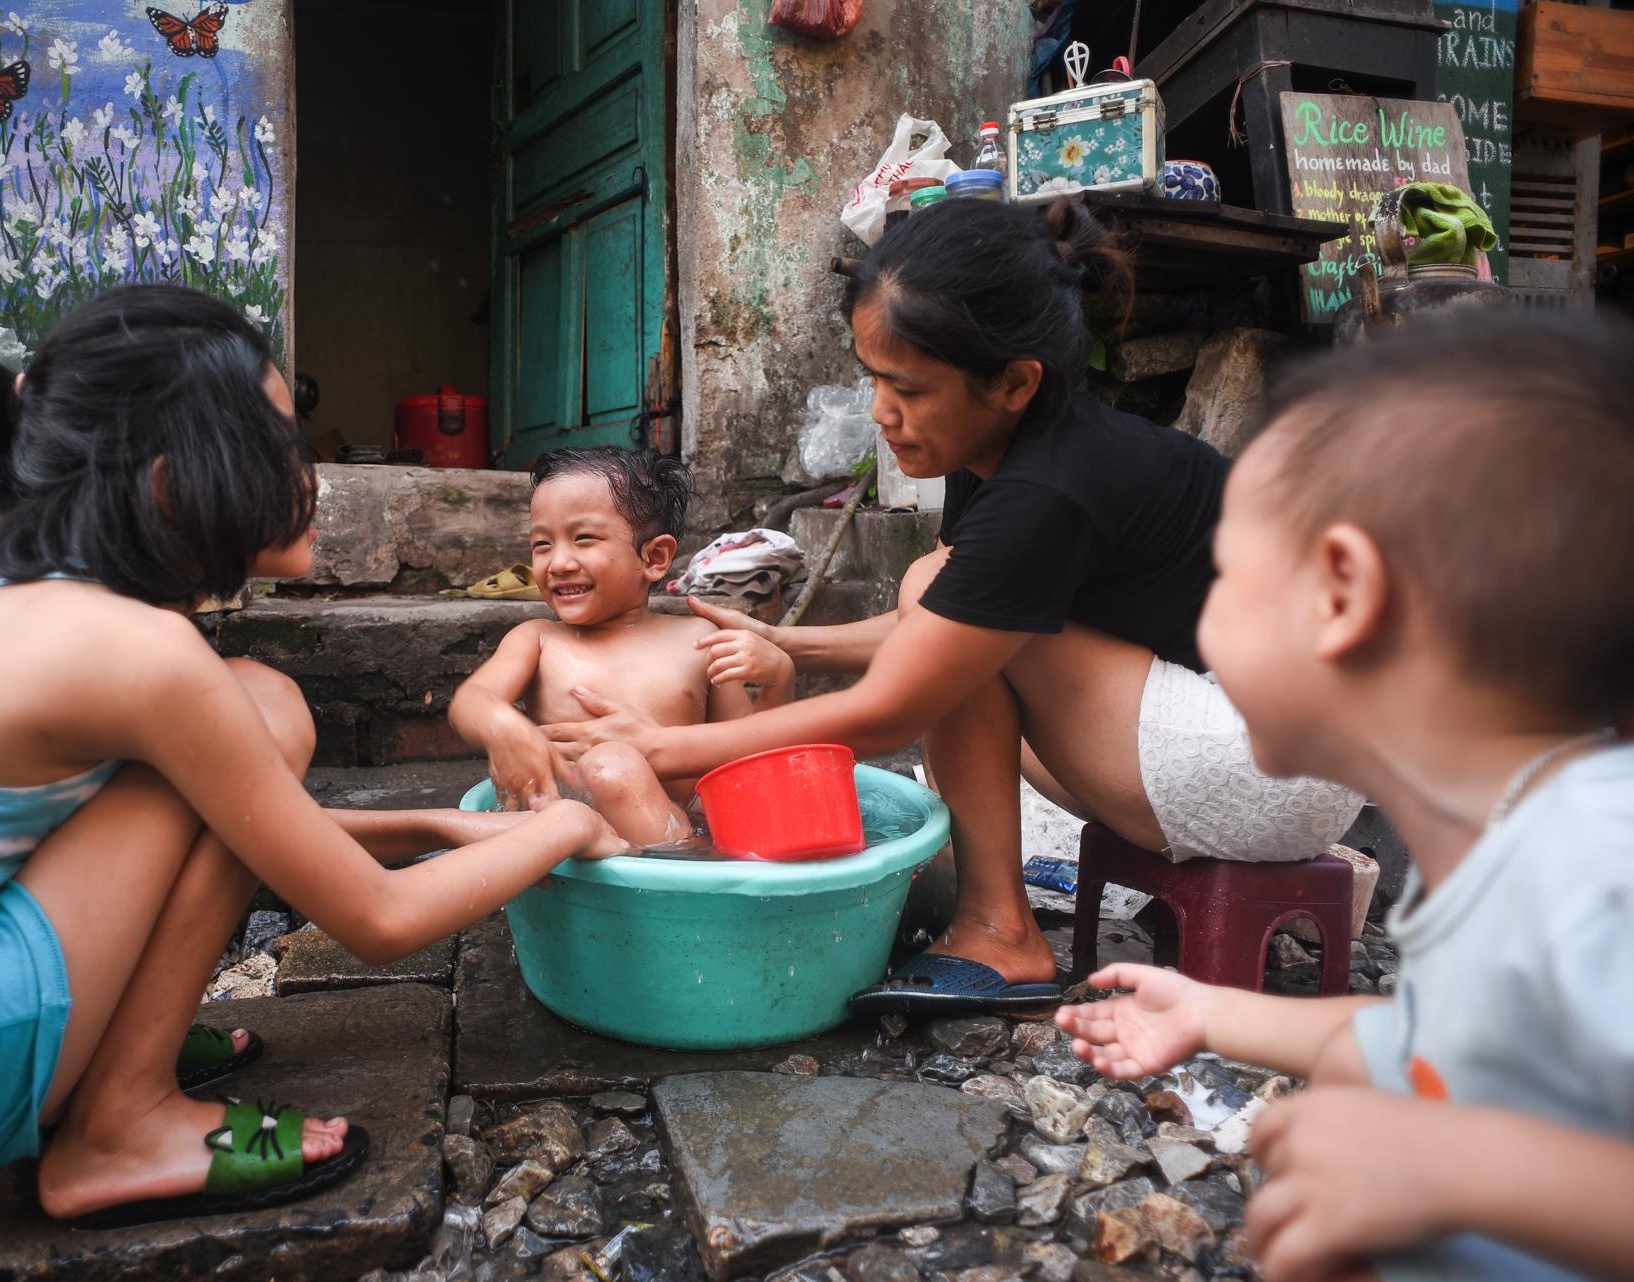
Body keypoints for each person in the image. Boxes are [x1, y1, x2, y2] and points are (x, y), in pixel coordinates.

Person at [0, 285, 624, 1228]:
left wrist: (439, 821)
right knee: (266, 709)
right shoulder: (143, 656)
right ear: (171, 474)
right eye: (280, 442)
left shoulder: (53, 605)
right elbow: (379, 922)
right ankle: (121, 1122)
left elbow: (240, 825)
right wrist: (567, 822)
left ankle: (112, 1060)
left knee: (252, 708)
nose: (310, 471)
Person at [542, 198, 1361, 1011]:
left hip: (1277, 773)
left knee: (941, 613)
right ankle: (996, 909)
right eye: (872, 379)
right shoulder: (1010, 445)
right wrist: (791, 641)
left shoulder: (1048, 490)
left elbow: (890, 709)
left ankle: (1000, 933)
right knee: (945, 605)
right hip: (1247, 736)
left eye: (905, 387)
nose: (879, 412)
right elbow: (938, 630)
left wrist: (666, 748)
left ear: (1012, 381)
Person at [1059, 310, 1634, 1282]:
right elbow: (1424, 1032)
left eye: (1227, 576)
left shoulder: (1594, 857)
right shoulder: (1493, 862)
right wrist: (1210, 1012)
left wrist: (1448, 1168)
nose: (1203, 618)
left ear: (1340, 595)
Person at [449, 447, 795, 846]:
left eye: (583, 539)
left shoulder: (697, 641)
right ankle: (679, 860)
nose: (558, 562)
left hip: (684, 833)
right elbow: (470, 702)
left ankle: (687, 859)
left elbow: (747, 763)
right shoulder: (538, 639)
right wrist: (500, 723)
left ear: (654, 557)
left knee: (619, 767)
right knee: (610, 765)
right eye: (542, 544)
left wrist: (779, 680)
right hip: (577, 841)